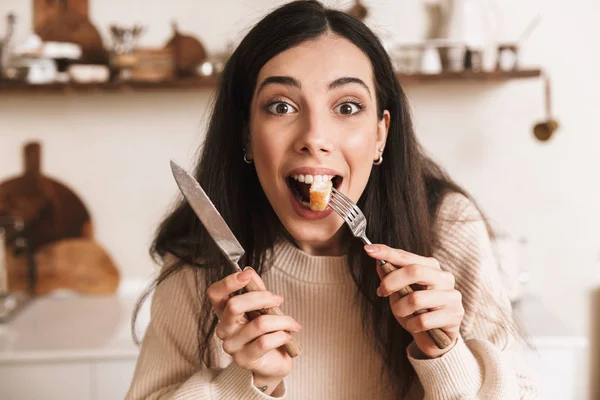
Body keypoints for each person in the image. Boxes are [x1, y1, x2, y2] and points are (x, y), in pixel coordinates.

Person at [126, 1, 541, 399]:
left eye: (346, 106)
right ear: (245, 134)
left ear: (380, 135)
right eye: (282, 106)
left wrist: (446, 358)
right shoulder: (202, 257)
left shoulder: (447, 228)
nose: (314, 138)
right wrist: (248, 384)